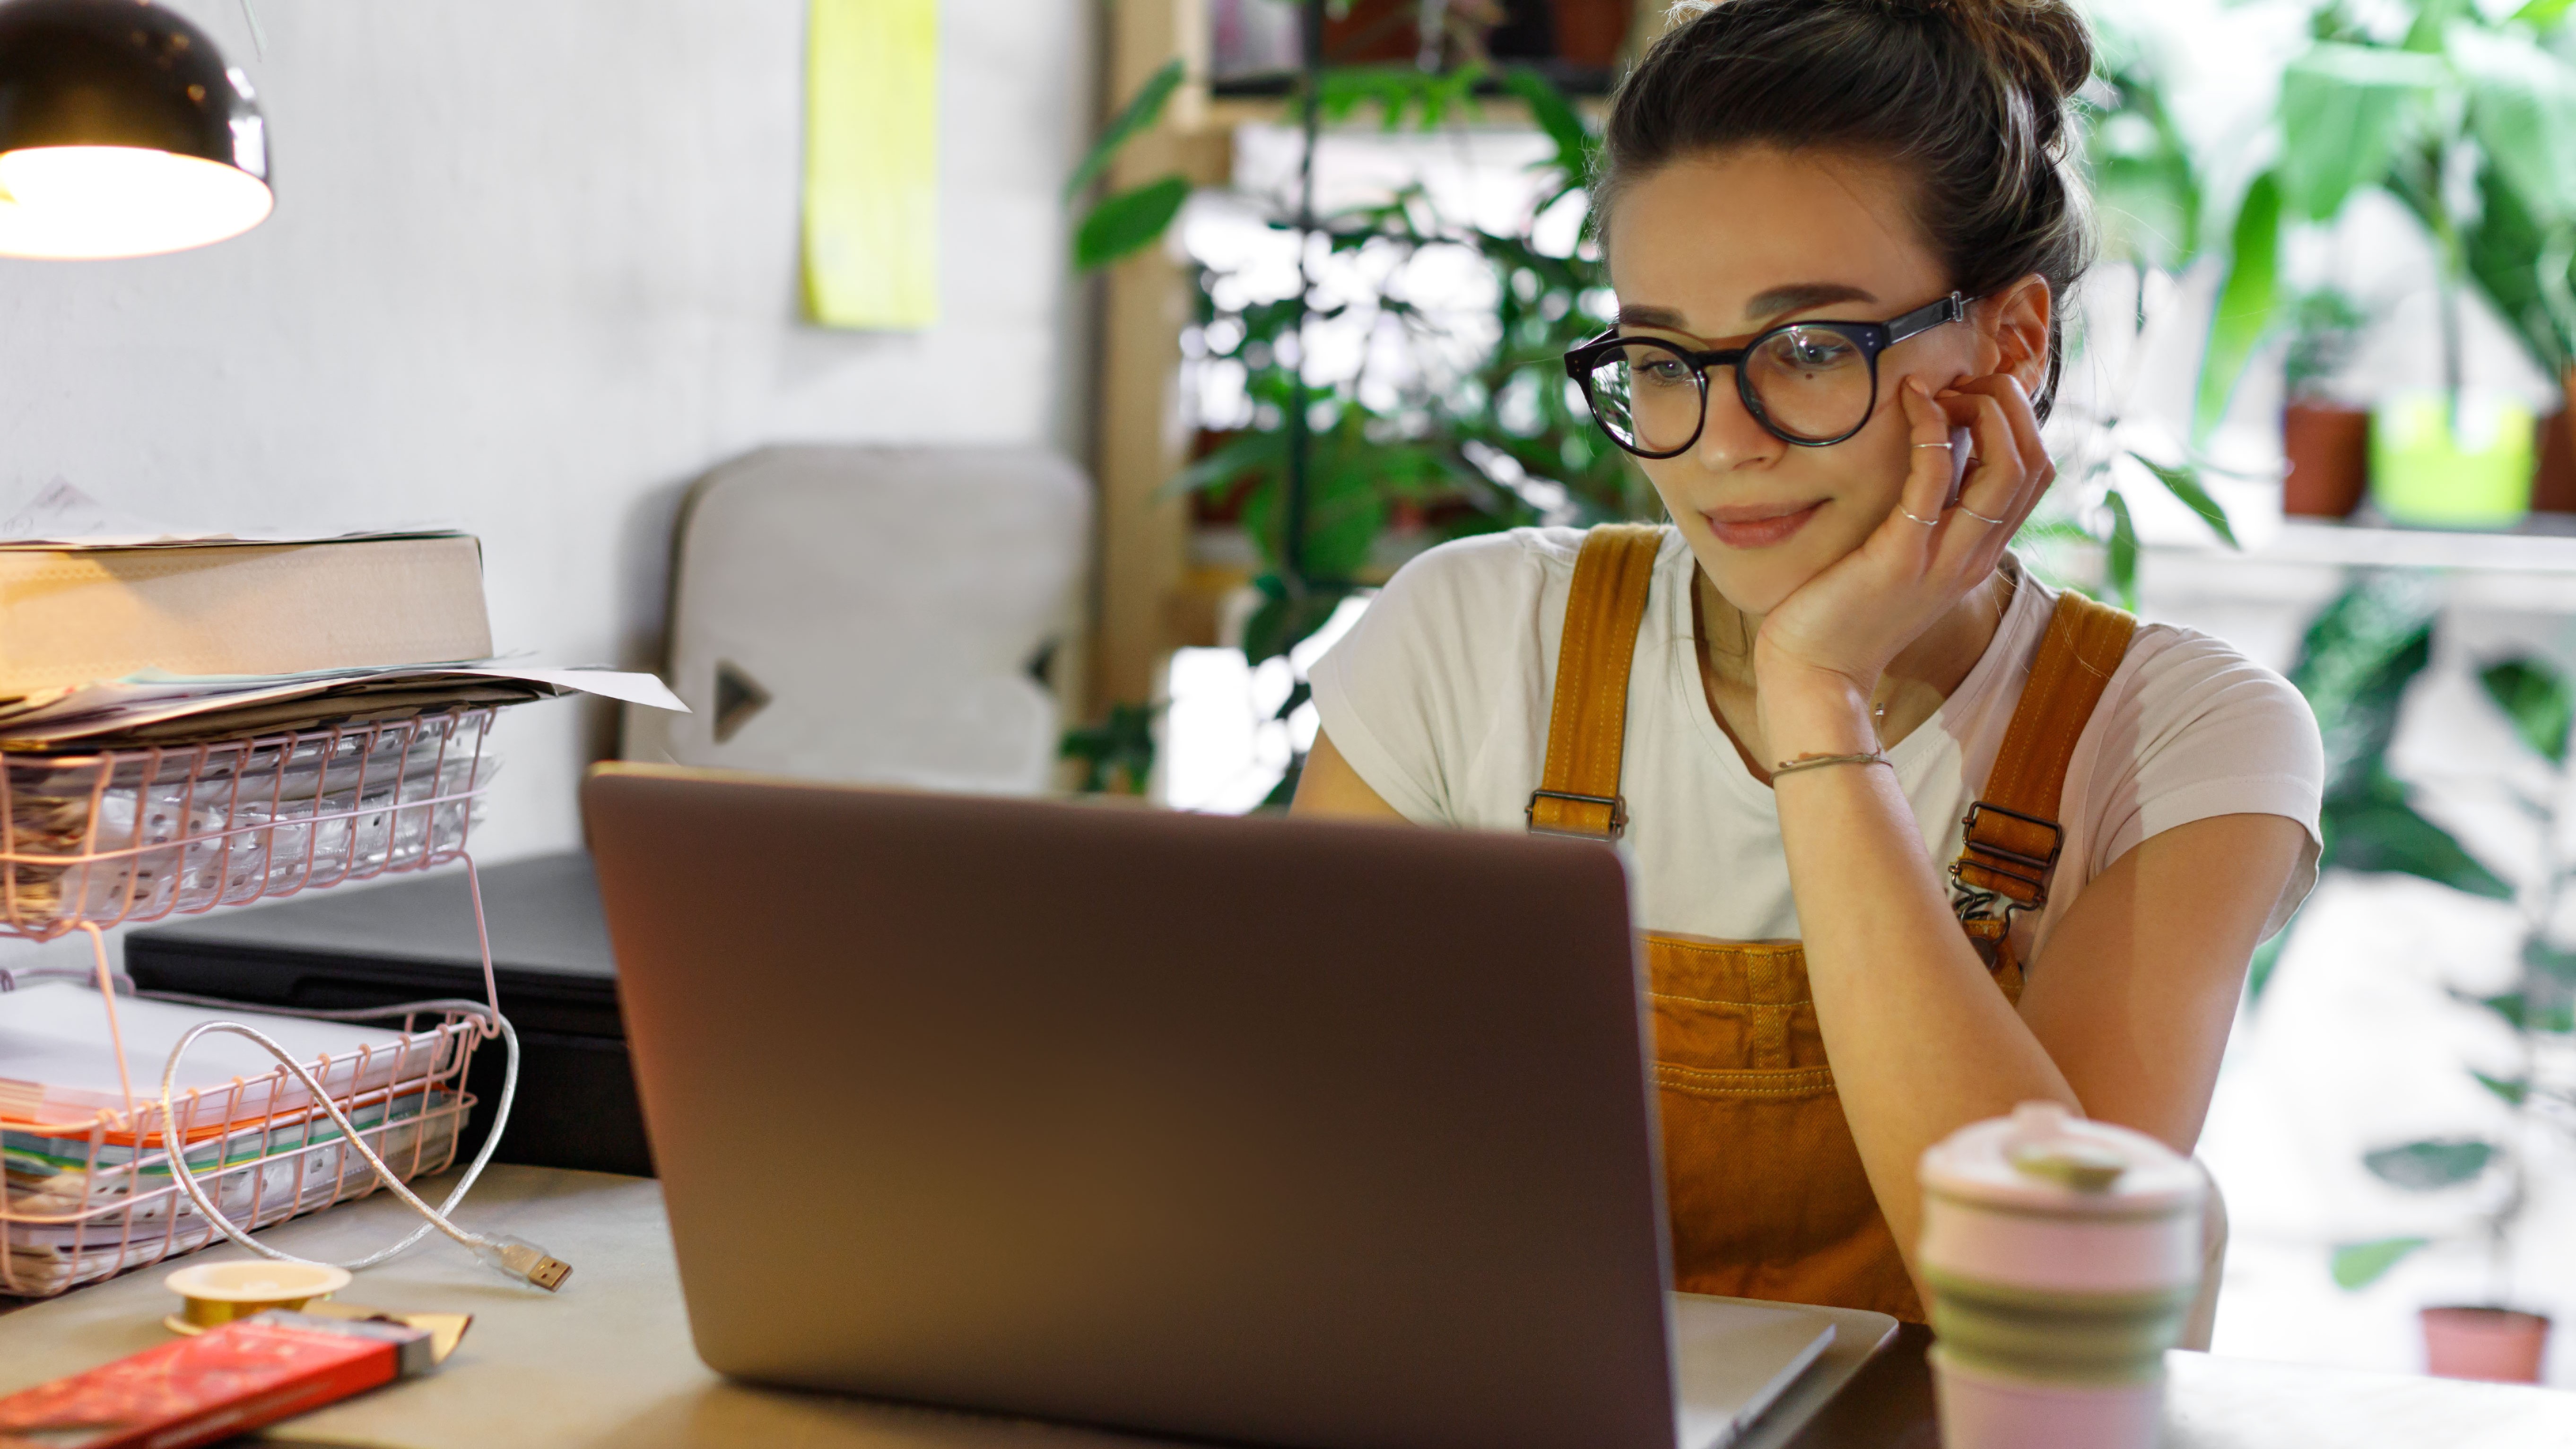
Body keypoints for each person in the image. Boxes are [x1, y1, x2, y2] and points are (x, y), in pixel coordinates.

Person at [1292, 0, 2325, 1323]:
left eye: (1809, 349)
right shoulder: (1472, 638)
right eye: (1665, 358)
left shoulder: (2181, 737)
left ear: (2009, 342)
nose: (1719, 441)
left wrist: (1819, 701)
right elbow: (1302, 1178)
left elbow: (2055, 1295)